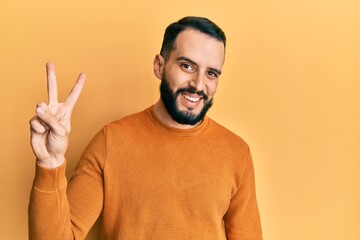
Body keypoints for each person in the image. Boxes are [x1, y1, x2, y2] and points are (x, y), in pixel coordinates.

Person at [29, 16, 263, 239]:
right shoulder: (110, 141)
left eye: (211, 73)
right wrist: (50, 163)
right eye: (187, 66)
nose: (198, 84)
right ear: (159, 66)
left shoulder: (236, 152)